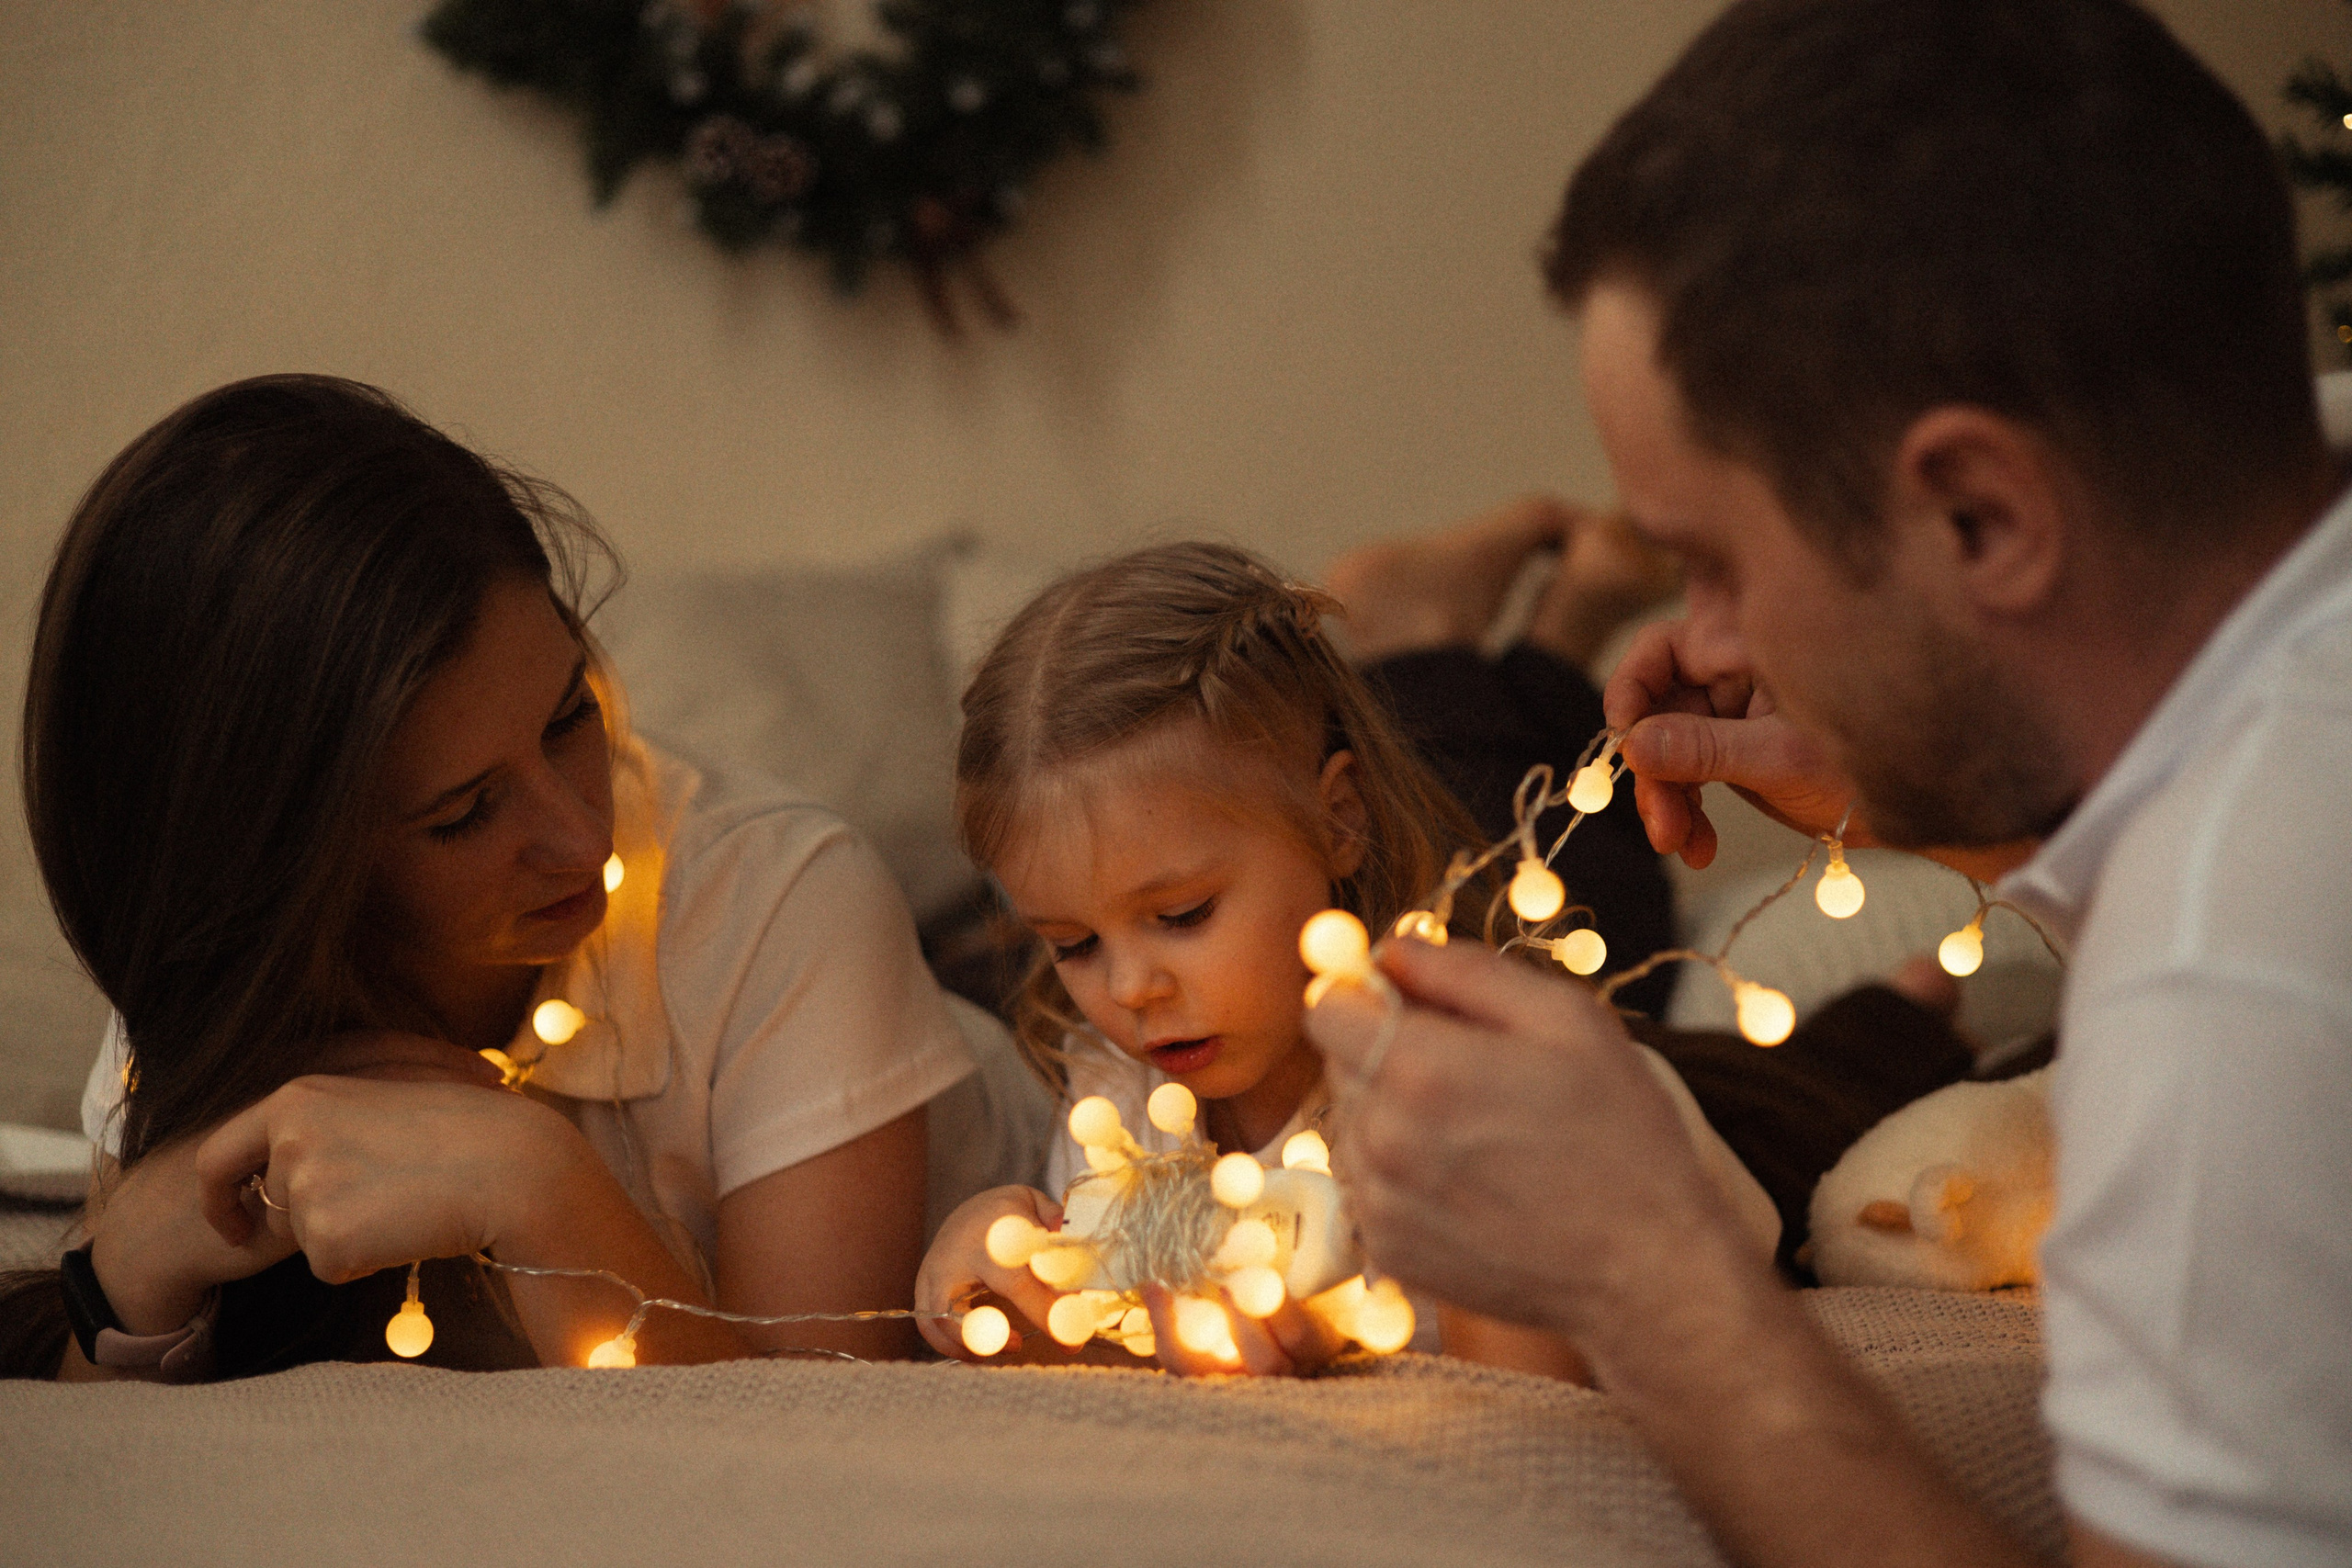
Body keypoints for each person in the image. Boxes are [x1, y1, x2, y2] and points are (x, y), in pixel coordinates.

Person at [1306, 3, 2348, 1566]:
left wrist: (1647, 1274)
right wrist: (1966, 802)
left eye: (1714, 561)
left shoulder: (2236, 964)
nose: (1699, 641)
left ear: (1983, 518)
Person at [0, 374, 1018, 1379]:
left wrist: (533, 1180)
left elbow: (817, 1440)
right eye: (466, 813)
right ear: (279, 870)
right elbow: (108, 1393)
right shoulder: (224, 976)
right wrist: (130, 1256)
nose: (582, 840)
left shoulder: (787, 896)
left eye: (572, 717)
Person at [910, 540, 1785, 1376]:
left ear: (1339, 820)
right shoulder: (1118, 1097)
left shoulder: (1459, 1073)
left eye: (1182, 915)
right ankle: (1547, 628)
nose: (1132, 987)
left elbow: (1550, 1357)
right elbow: (1116, 1327)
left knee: (1574, 859)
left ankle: (1477, 625)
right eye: (1074, 945)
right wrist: (1014, 1288)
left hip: (1721, 1132)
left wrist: (1338, 1330)